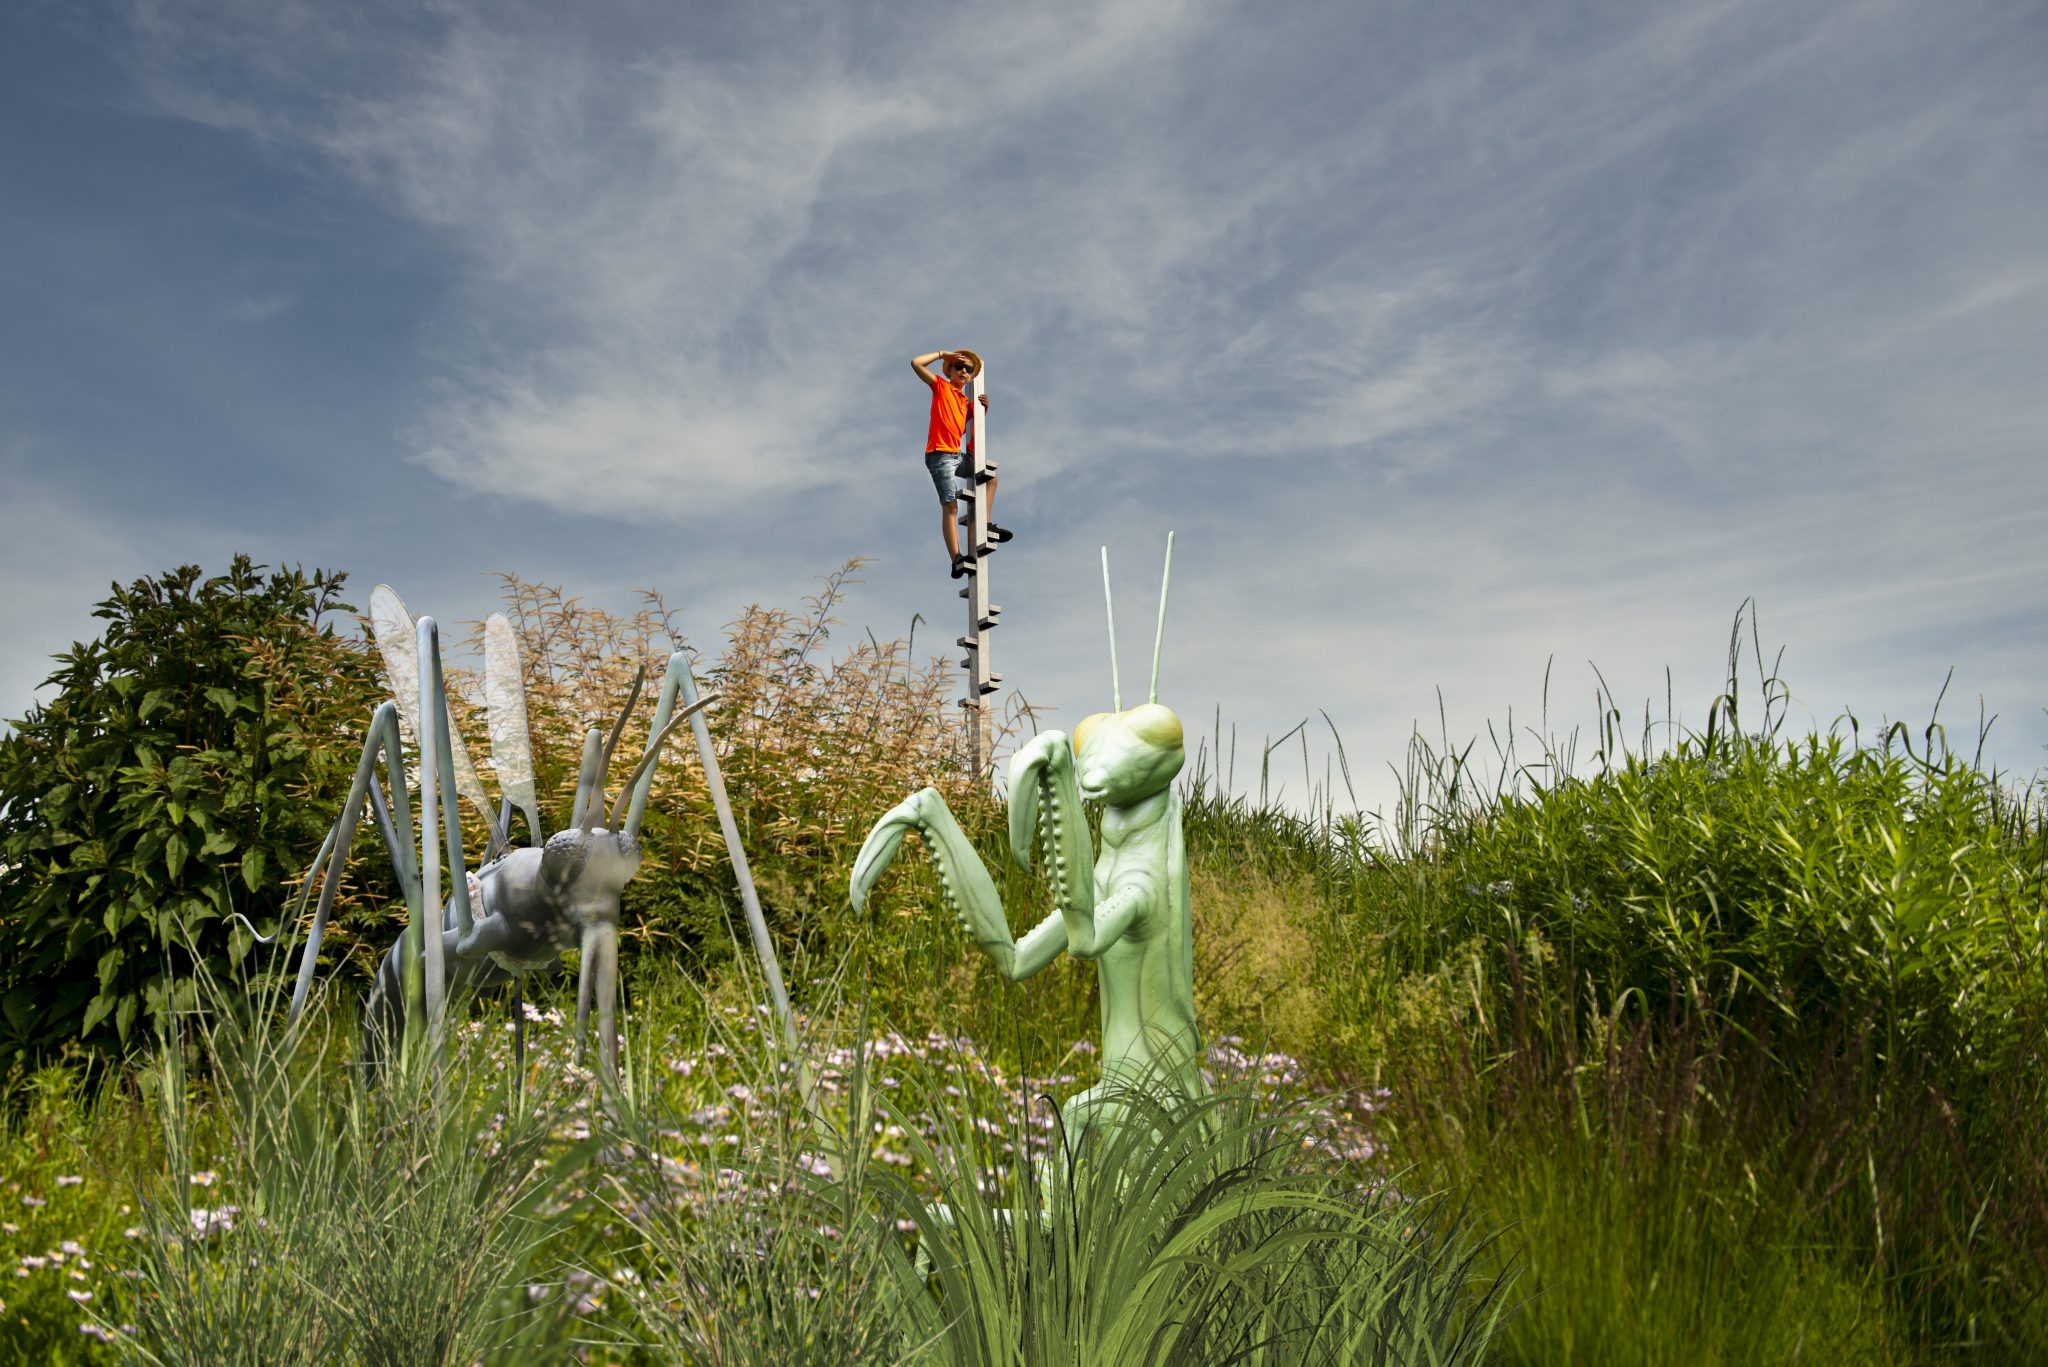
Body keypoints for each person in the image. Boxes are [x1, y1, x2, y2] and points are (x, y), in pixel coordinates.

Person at [911, 348, 1011, 578]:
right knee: (951, 506)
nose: (964, 371)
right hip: (939, 456)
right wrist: (942, 354)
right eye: (960, 367)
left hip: (957, 456)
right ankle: (956, 559)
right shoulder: (940, 386)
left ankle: (984, 526)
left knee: (990, 477)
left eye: (968, 369)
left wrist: (981, 409)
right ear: (950, 371)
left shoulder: (964, 400)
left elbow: (965, 423)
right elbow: (916, 363)